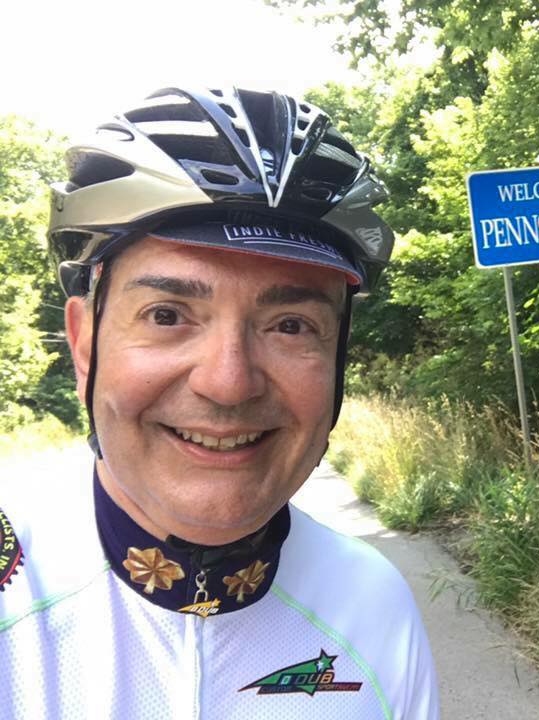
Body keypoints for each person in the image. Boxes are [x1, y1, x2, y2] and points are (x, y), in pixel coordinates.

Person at [0, 86, 438, 718]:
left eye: (291, 326)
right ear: (85, 345)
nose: (229, 384)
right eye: (167, 314)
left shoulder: (374, 608)